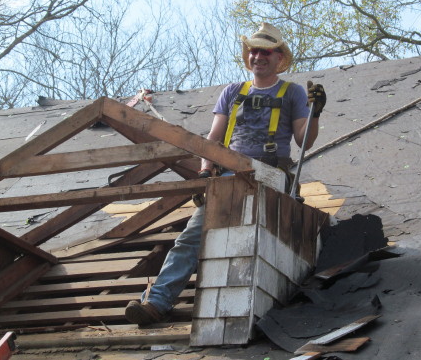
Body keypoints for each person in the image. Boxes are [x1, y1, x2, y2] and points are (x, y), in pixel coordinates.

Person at [124, 22, 326, 326]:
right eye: (254, 51)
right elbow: (213, 138)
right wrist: (206, 171)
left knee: (266, 242)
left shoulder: (292, 93)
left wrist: (315, 113)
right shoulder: (232, 92)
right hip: (229, 177)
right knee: (192, 238)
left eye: (266, 52)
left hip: (271, 178)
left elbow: (304, 140)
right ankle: (156, 303)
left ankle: (269, 312)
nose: (258, 56)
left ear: (277, 57)